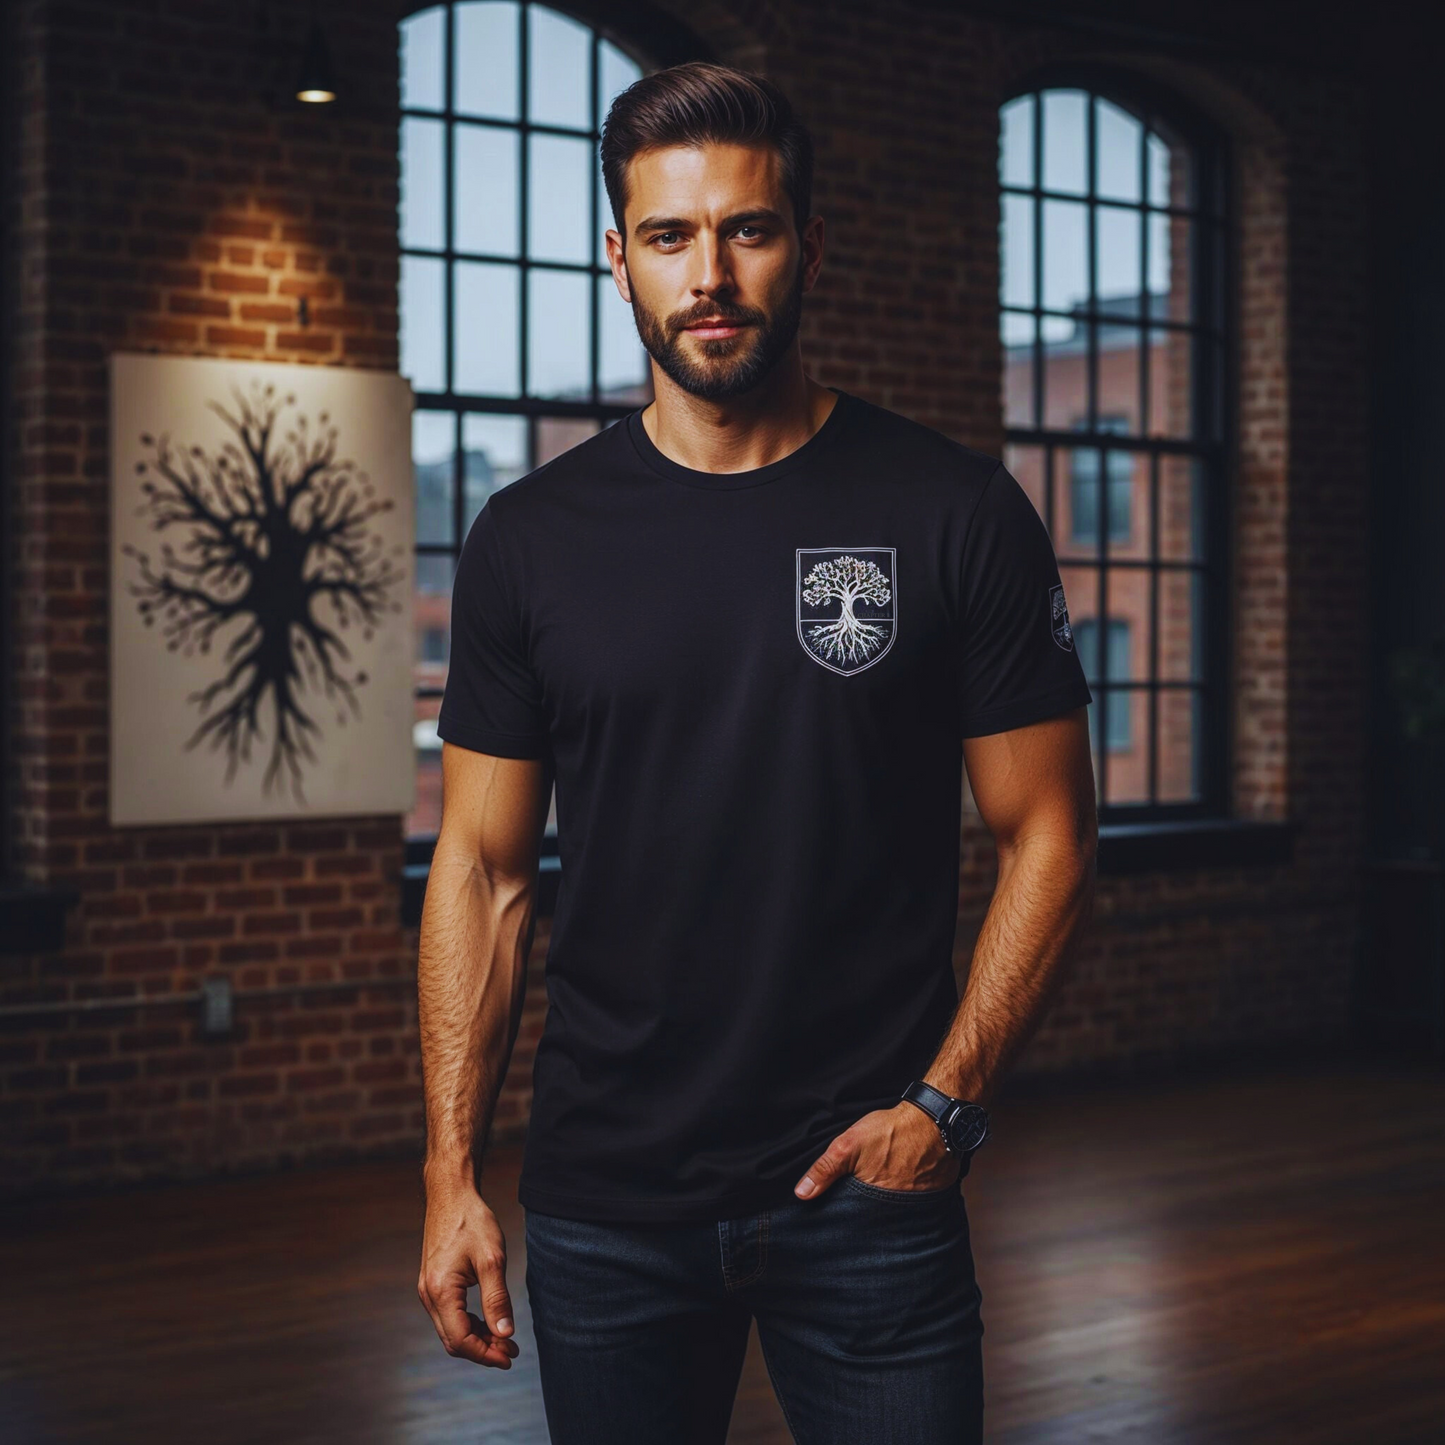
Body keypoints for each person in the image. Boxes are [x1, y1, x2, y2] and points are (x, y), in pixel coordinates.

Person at [416, 59, 1097, 1445]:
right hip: (608, 1205)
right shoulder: (529, 542)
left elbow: (1051, 832)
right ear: (619, 259)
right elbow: (483, 869)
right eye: (669, 237)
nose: (709, 273)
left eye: (750, 230)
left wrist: (948, 1106)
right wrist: (449, 1174)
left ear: (810, 245)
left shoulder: (953, 513)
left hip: (869, 1197)